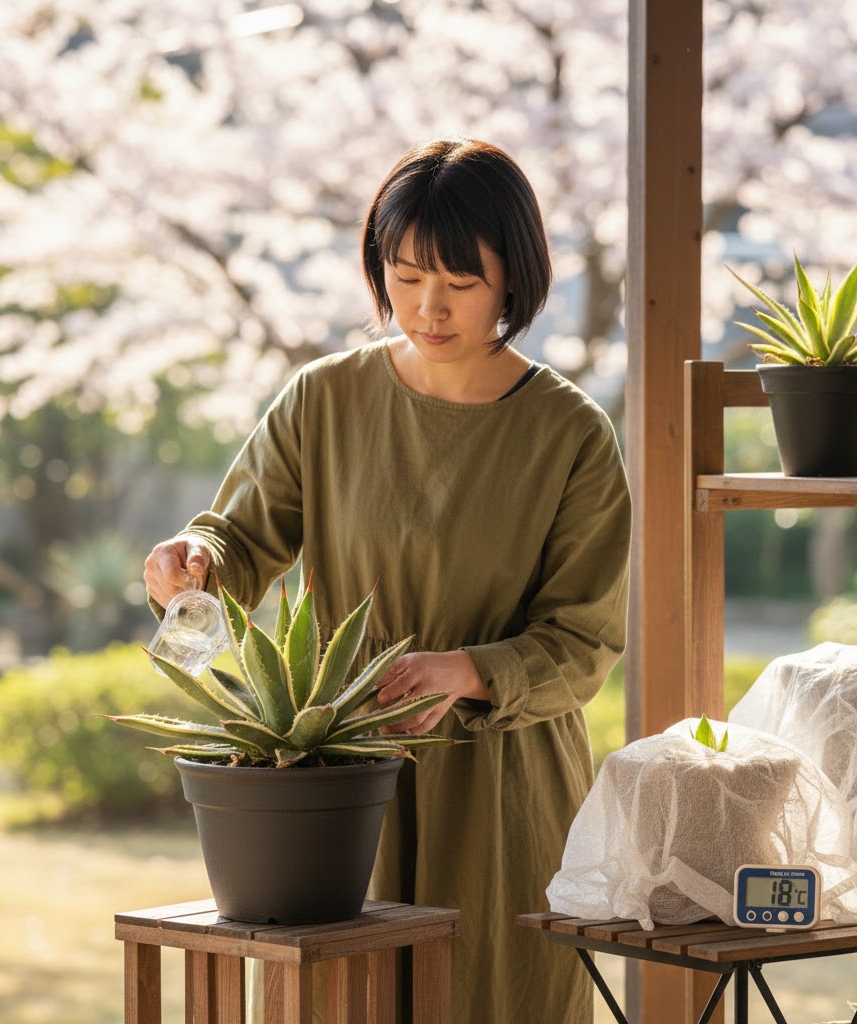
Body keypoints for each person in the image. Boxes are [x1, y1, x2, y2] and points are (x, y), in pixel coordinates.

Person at [144, 138, 632, 1024]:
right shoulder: (322, 399)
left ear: (514, 280)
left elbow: (585, 642)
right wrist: (193, 553)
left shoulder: (573, 436)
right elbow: (239, 541)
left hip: (500, 789)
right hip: (339, 778)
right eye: (406, 278)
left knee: (492, 995)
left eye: (460, 282)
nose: (428, 307)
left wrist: (464, 672)